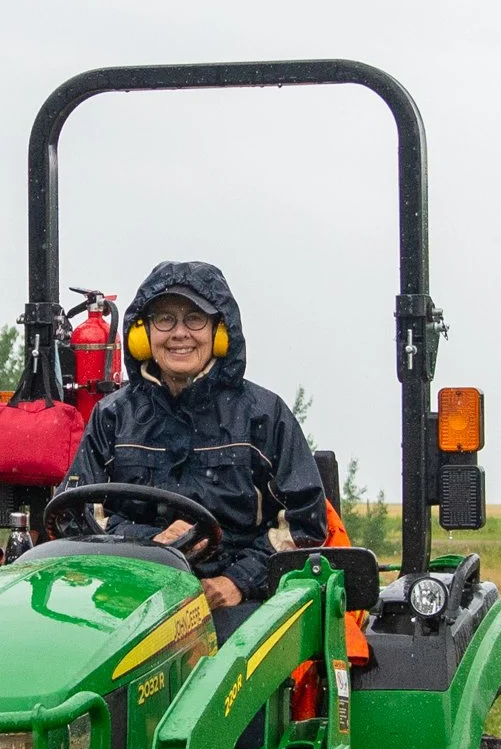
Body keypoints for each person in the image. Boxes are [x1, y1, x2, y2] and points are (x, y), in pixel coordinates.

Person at [62, 260, 327, 633]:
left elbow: (305, 523)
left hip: (239, 609)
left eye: (195, 319)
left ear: (220, 332)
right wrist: (147, 542)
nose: (179, 334)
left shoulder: (264, 416)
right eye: (165, 319)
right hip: (130, 597)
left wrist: (239, 581)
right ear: (142, 333)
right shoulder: (112, 417)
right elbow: (76, 513)